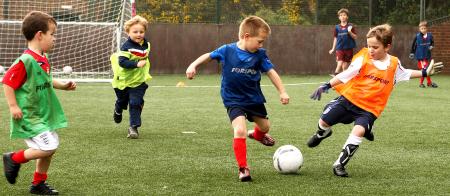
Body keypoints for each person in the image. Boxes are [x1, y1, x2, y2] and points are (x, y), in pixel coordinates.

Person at [308, 24, 444, 177]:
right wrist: (326, 85)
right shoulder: (364, 57)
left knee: (358, 130)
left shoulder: (393, 63)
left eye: (375, 47)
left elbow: (406, 73)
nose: (371, 50)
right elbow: (347, 74)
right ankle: (322, 134)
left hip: (369, 109)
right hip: (348, 100)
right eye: (368, 46)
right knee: (324, 122)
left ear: (387, 47)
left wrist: (425, 72)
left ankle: (339, 164)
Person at [186, 16, 290, 182]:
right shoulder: (227, 50)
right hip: (233, 99)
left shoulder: (260, 55)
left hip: (253, 98)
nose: (261, 45)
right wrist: (193, 65)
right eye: (260, 41)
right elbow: (209, 55)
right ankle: (243, 168)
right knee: (239, 130)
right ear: (246, 37)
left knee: (265, 127)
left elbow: (271, 72)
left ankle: (257, 135)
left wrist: (282, 91)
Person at [2, 11, 77, 195]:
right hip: (30, 115)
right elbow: (8, 81)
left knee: (49, 149)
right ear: (39, 35)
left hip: (43, 114)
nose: (55, 39)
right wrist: (13, 106)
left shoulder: (43, 58)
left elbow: (46, 80)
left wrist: (63, 85)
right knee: (48, 146)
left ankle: (38, 184)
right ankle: (13, 158)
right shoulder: (25, 60)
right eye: (52, 34)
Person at [111, 15, 152, 139]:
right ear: (128, 32)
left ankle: (133, 127)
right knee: (122, 101)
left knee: (135, 102)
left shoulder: (146, 44)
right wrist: (136, 64)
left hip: (138, 81)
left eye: (141, 32)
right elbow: (122, 62)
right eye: (135, 32)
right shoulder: (126, 47)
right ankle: (118, 109)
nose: (139, 34)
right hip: (123, 81)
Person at [329, 8, 357, 76]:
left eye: (344, 15)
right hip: (340, 48)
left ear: (347, 17)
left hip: (349, 49)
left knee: (345, 67)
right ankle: (334, 79)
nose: (342, 16)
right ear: (339, 17)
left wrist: (350, 32)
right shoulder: (337, 27)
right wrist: (333, 48)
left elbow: (355, 37)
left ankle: (344, 82)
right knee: (340, 63)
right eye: (341, 15)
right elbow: (335, 38)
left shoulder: (350, 26)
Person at [409, 20, 437, 88]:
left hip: (426, 56)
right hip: (420, 57)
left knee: (426, 70)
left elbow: (432, 43)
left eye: (424, 28)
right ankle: (425, 83)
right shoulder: (417, 36)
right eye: (422, 28)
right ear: (419, 29)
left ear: (427, 28)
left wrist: (431, 46)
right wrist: (412, 52)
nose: (423, 30)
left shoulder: (430, 35)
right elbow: (414, 45)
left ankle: (428, 83)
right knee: (425, 70)